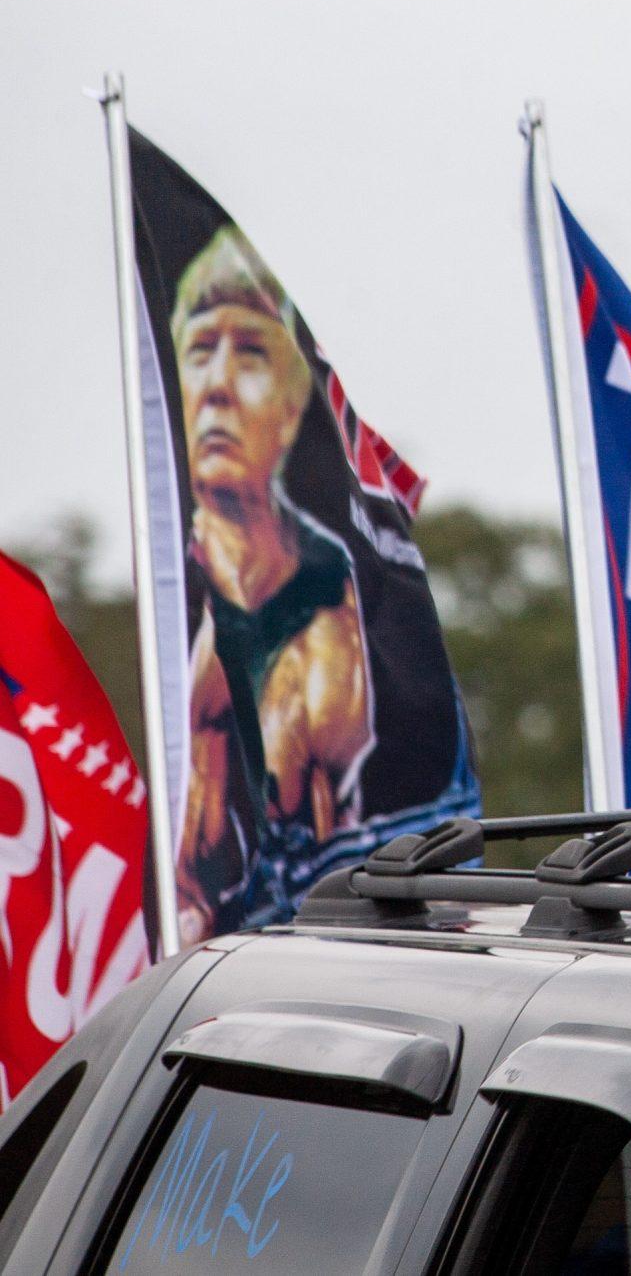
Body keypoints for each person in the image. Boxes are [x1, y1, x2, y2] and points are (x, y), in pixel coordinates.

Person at [168, 225, 376, 943]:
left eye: (250, 354)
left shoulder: (318, 620)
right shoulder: (192, 593)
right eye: (200, 352)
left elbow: (331, 892)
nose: (219, 383)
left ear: (292, 409)